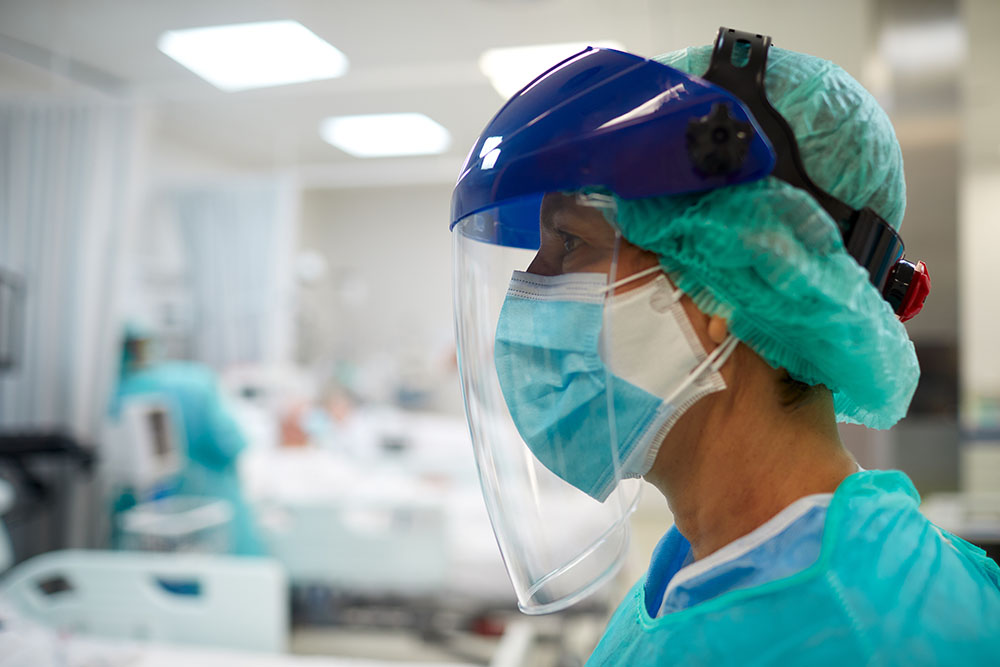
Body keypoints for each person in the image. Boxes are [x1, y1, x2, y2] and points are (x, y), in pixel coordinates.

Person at [449, 28, 999, 664]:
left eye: (571, 243)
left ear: (725, 282)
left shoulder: (864, 635)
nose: (531, 290)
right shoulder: (698, 568)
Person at [113, 325, 265, 556]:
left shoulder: (112, 393)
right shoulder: (194, 384)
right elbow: (231, 443)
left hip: (140, 531)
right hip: (212, 524)